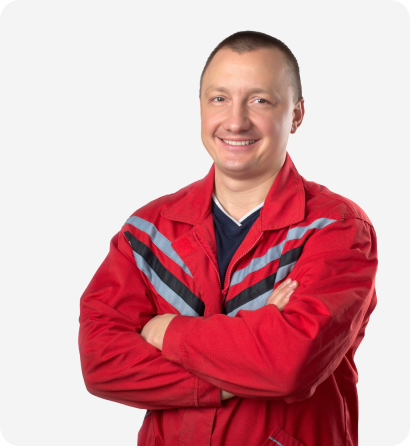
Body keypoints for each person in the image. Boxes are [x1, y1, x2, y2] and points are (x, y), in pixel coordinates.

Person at [78, 30, 378, 446]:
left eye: (260, 100)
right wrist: (242, 367)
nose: (235, 121)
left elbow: (290, 364)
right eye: (219, 98)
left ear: (296, 115)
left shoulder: (336, 229)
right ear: (201, 107)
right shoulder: (149, 230)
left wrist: (167, 331)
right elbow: (101, 363)